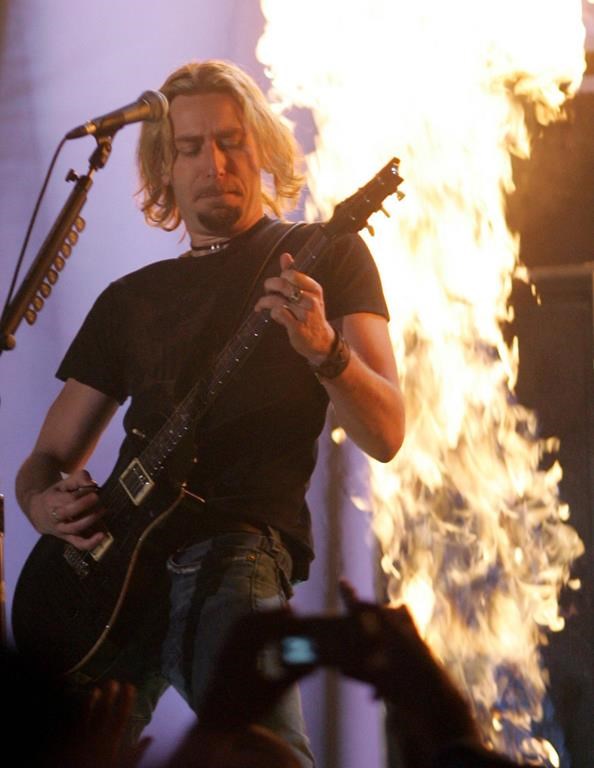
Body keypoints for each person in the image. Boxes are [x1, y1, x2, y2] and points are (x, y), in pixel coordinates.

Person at [14, 59, 405, 766]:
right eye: (189, 148)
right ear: (164, 166)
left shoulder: (327, 255)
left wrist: (324, 351)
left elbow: (387, 431)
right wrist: (45, 506)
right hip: (109, 565)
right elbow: (43, 460)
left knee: (270, 757)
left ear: (262, 149)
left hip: (234, 550)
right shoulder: (130, 298)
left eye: (230, 142)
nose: (212, 162)